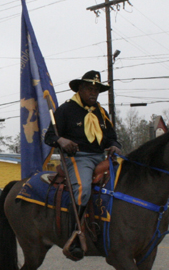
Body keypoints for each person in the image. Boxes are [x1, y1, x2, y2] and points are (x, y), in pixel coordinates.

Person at [44, 70, 122, 259]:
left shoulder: (102, 112)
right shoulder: (66, 110)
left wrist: (114, 146)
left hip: (102, 158)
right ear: (80, 89)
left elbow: (112, 138)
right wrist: (61, 141)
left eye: (96, 90)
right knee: (84, 189)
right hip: (78, 158)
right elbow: (49, 137)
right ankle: (75, 235)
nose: (93, 93)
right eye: (89, 88)